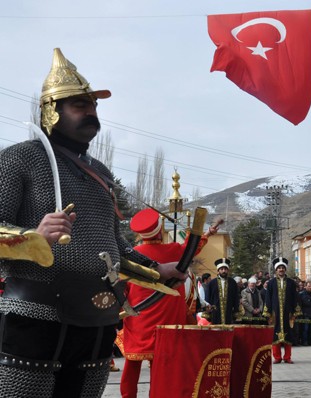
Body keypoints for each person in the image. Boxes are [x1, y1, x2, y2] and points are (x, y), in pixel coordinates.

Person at [0, 48, 187, 398]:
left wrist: (156, 270)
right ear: (51, 111)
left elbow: (112, 247)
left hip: (98, 314)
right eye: (80, 106)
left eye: (94, 106)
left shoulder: (99, 172)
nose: (92, 113)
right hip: (37, 311)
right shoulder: (19, 159)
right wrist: (33, 238)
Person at [118, 208, 217, 397]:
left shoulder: (132, 255)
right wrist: (206, 233)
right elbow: (192, 246)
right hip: (167, 318)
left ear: (140, 234)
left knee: (132, 362)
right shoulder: (174, 250)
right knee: (160, 363)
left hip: (138, 318)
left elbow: (123, 288)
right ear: (160, 228)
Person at [262, 257, 299, 364]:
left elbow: (295, 297)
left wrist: (295, 312)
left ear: (285, 269)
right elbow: (268, 298)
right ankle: (277, 357)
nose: (281, 269)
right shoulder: (271, 283)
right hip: (275, 312)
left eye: (283, 267)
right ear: (276, 270)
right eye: (279, 268)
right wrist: (268, 312)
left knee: (289, 334)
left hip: (288, 312)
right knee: (275, 335)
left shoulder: (291, 283)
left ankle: (287, 357)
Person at [203, 258, 241, 325]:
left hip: (229, 312)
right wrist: (207, 311)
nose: (224, 271)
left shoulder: (232, 282)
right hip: (215, 313)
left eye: (225, 269)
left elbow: (236, 298)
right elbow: (207, 297)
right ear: (218, 271)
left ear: (228, 270)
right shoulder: (212, 283)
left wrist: (236, 311)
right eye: (222, 269)